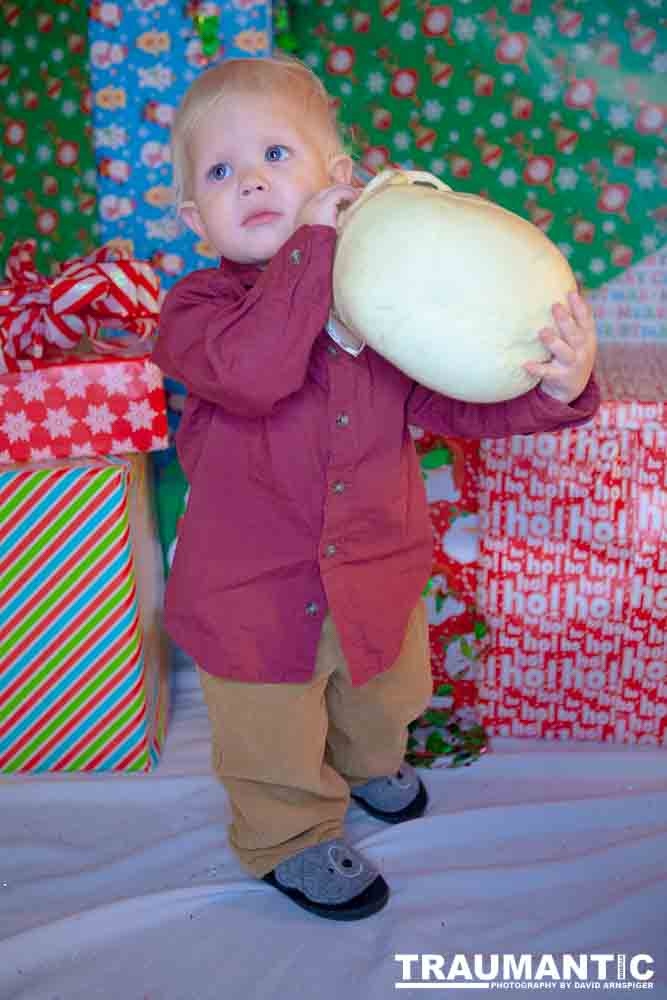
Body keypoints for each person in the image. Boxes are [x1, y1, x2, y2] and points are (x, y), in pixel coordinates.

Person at [153, 54, 599, 922]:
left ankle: (366, 763)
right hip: (254, 592)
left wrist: (555, 387)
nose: (251, 180)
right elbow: (254, 373)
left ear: (340, 180)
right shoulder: (197, 313)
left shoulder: (380, 305)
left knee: (383, 689)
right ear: (195, 220)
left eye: (275, 155)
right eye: (220, 172)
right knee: (271, 729)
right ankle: (286, 835)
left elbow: (453, 404)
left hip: (372, 564)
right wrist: (312, 251)